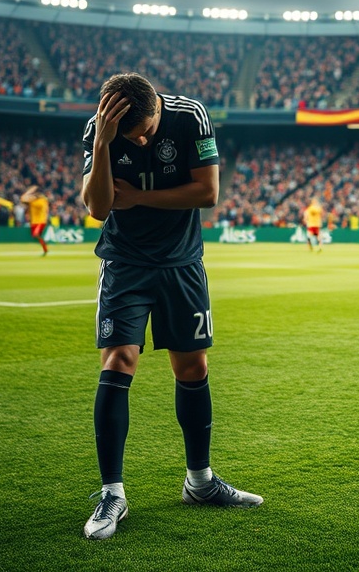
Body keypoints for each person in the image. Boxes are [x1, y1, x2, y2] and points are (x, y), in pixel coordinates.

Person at [80, 72, 260, 541]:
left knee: (193, 366)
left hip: (181, 262)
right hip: (124, 263)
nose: (140, 141)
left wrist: (140, 197)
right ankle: (112, 493)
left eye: (145, 131)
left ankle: (199, 482)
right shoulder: (100, 127)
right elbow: (98, 208)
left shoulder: (191, 116)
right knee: (119, 360)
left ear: (157, 107)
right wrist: (103, 144)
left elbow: (208, 193)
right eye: (130, 136)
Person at [20, 185, 50, 256]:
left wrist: (30, 194)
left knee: (36, 234)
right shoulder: (33, 200)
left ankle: (45, 244)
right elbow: (22, 199)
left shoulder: (42, 201)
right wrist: (30, 191)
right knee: (35, 236)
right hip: (34, 222)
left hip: (41, 221)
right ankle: (45, 247)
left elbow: (23, 199)